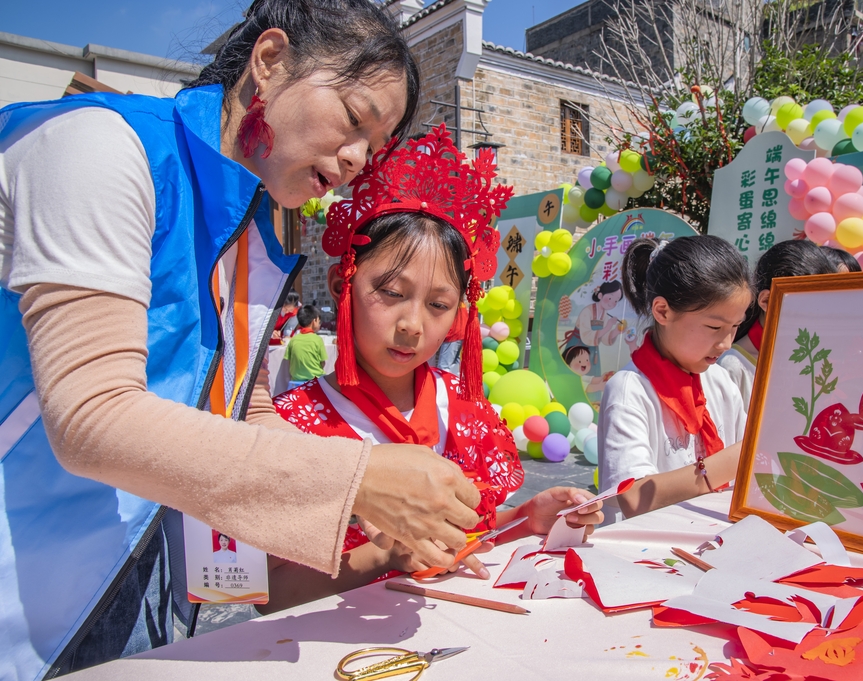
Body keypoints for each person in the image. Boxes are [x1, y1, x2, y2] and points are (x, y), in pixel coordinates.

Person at [0, 1, 485, 676]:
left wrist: (366, 505)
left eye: (372, 149)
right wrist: (357, 480)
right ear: (268, 61)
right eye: (352, 119)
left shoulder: (253, 231)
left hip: (132, 585)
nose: (353, 160)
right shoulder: (100, 149)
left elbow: (242, 410)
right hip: (22, 601)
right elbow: (92, 417)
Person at [265, 125, 603, 613]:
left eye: (439, 304)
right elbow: (270, 595)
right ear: (344, 284)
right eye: (392, 293)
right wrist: (387, 553)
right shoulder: (288, 424)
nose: (412, 325)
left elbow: (470, 535)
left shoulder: (463, 408)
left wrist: (529, 517)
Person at [598, 236, 751, 520]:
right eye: (714, 326)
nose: (727, 342)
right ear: (662, 311)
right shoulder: (630, 390)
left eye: (735, 326)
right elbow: (633, 497)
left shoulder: (720, 380)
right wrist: (737, 460)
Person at [718, 240, 837, 410]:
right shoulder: (732, 367)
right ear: (766, 300)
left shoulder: (813, 361)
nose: (818, 318)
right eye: (808, 307)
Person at [284, 304, 327, 389]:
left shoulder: (293, 340)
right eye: (319, 321)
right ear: (314, 321)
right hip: (315, 382)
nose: (319, 324)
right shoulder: (317, 340)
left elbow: (290, 362)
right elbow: (323, 362)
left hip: (295, 384)